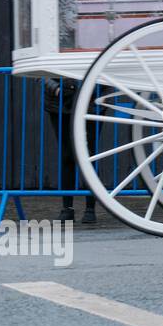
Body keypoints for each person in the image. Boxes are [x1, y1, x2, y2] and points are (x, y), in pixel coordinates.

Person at [42, 78, 98, 224]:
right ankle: (67, 208)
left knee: (88, 155)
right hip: (58, 100)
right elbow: (40, 71)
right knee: (67, 154)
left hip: (90, 100)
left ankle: (90, 209)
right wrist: (55, 88)